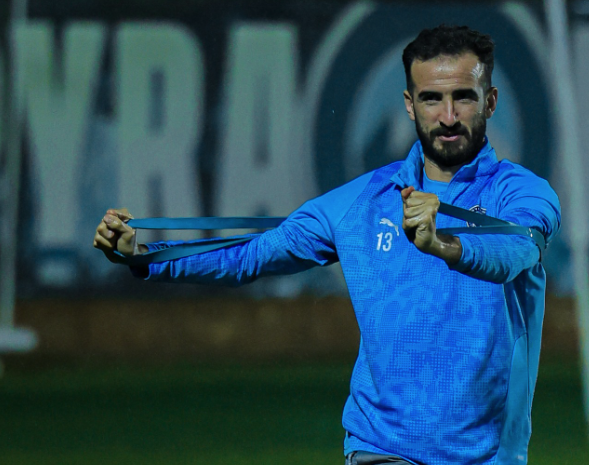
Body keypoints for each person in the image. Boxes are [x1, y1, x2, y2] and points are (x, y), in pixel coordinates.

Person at [94, 25, 561, 465]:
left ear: (490, 101)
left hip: (489, 456)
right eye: (431, 98)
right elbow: (253, 254)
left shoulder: (523, 194)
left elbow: (514, 251)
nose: (448, 116)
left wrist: (443, 244)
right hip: (380, 448)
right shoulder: (360, 202)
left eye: (464, 97)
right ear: (409, 104)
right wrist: (145, 256)